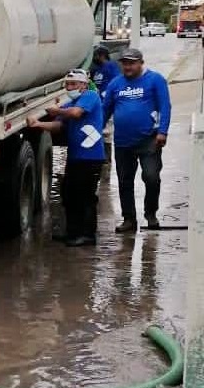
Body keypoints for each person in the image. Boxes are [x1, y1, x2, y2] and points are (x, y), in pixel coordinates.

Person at [28, 69, 105, 247]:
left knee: (85, 196)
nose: (69, 87)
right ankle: (72, 232)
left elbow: (75, 114)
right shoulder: (71, 103)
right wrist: (39, 124)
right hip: (76, 157)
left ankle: (87, 235)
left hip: (91, 157)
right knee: (69, 194)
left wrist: (57, 110)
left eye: (73, 84)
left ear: (83, 85)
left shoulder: (90, 97)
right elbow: (58, 126)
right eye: (67, 84)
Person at [103, 48, 171, 232]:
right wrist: (95, 131)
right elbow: (105, 110)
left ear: (141, 63)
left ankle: (151, 214)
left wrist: (163, 131)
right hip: (123, 142)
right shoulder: (115, 84)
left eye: (132, 63)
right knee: (125, 181)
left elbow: (165, 106)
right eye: (125, 63)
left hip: (149, 139)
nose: (128, 66)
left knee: (151, 178)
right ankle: (129, 219)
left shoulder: (155, 80)